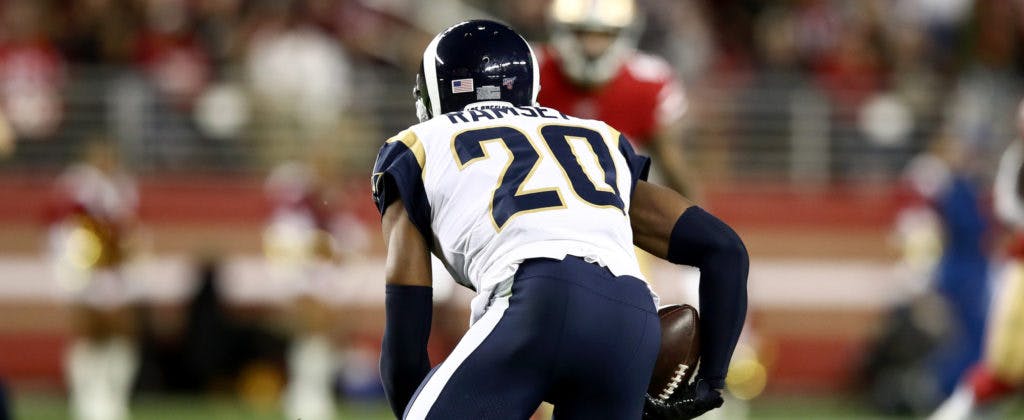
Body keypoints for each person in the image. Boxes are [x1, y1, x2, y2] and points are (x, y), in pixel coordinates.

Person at [371, 20, 747, 419]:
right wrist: (711, 381)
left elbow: (406, 334)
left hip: (537, 300)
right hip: (629, 320)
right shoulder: (598, 138)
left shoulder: (417, 146)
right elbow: (724, 249)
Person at [536, 0, 694, 197]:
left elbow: (672, 166)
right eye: (581, 33)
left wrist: (694, 212)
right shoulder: (533, 72)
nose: (591, 46)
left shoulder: (648, 82)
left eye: (604, 35)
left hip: (621, 203)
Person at [929, 104, 1024, 420]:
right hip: (992, 271)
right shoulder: (1012, 163)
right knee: (1000, 369)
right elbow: (1005, 217)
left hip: (986, 269)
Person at [48, 140, 139, 420]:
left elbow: (127, 229)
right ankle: (84, 397)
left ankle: (115, 396)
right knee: (87, 334)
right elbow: (63, 227)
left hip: (113, 272)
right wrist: (74, 266)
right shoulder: (77, 183)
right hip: (85, 270)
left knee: (120, 334)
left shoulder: (124, 186)